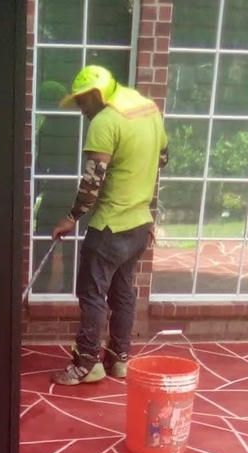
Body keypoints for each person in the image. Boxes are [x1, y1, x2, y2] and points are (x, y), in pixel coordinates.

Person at [50, 65, 168, 386]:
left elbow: (92, 181)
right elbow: (162, 159)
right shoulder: (148, 111)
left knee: (91, 293)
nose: (80, 109)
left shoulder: (105, 121)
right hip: (139, 225)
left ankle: (87, 364)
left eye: (82, 102)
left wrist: (71, 217)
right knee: (123, 293)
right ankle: (119, 360)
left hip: (110, 228)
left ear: (97, 94)